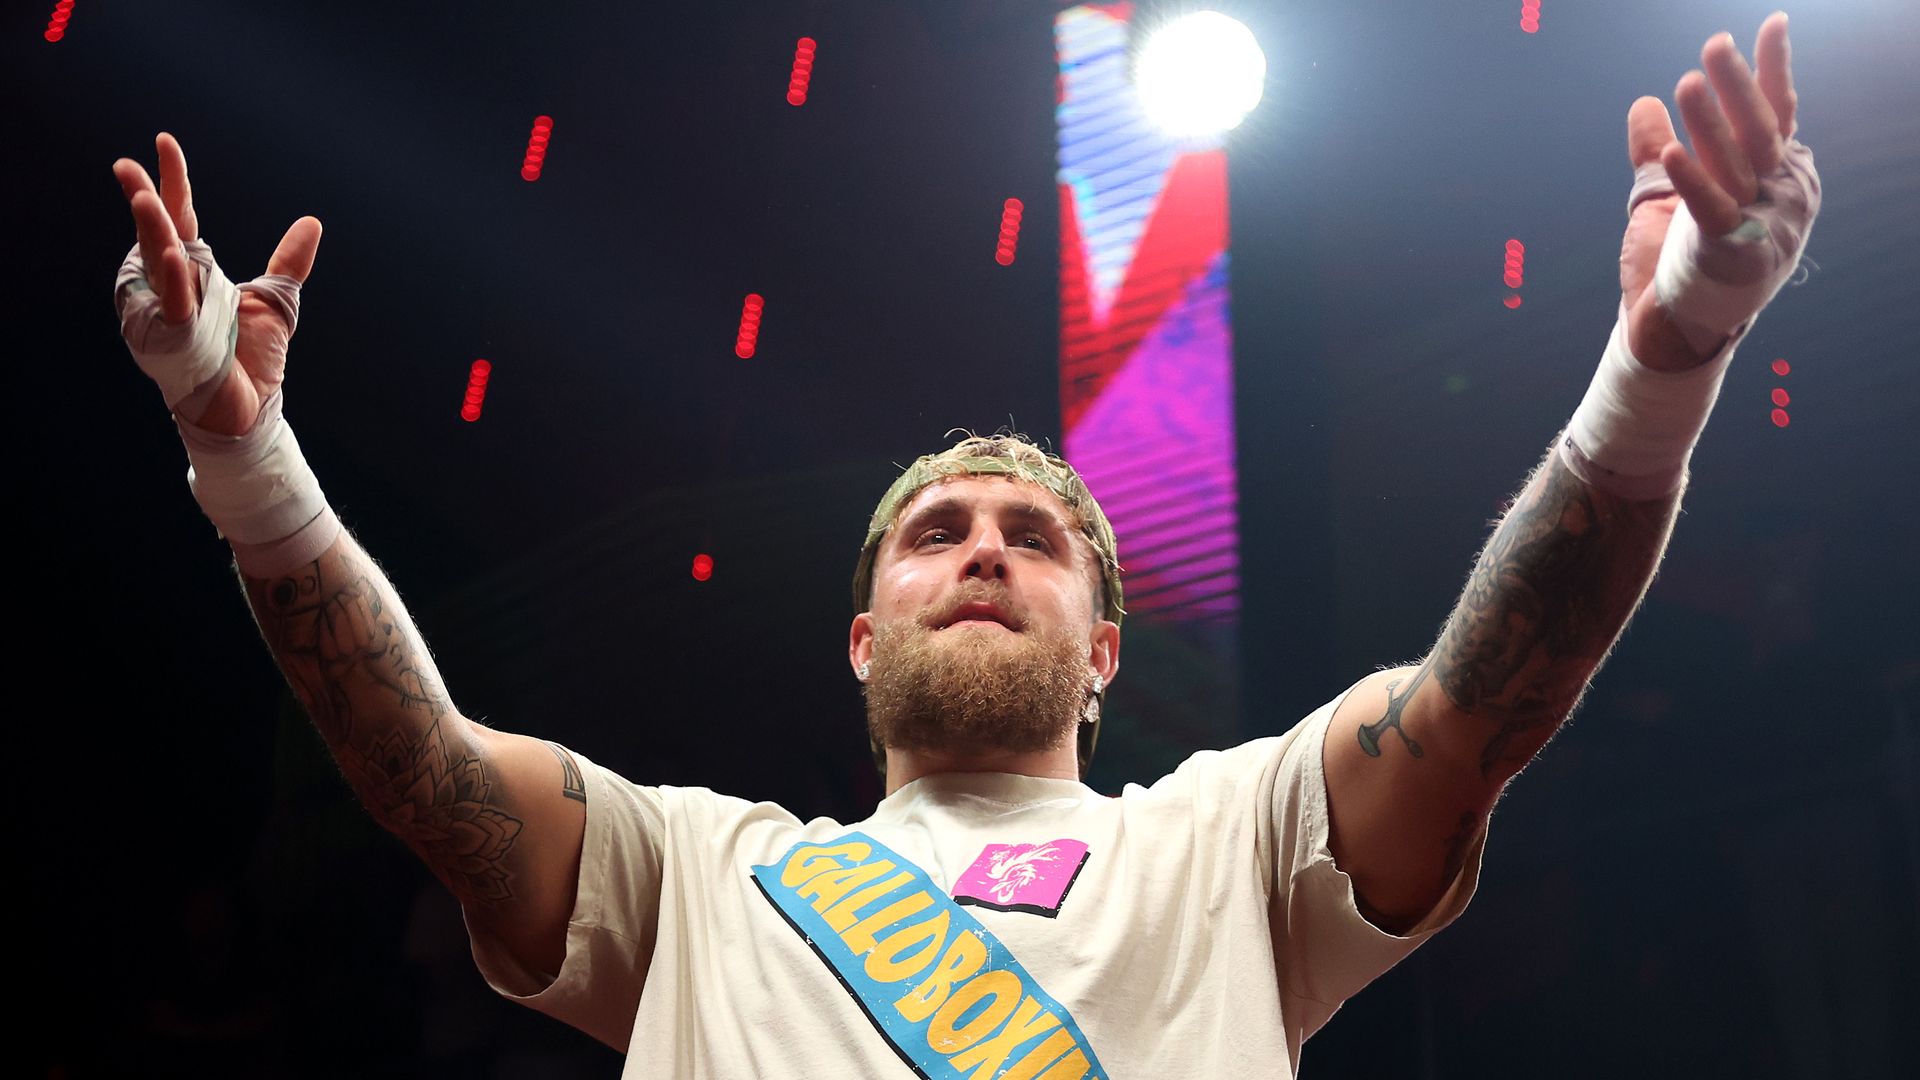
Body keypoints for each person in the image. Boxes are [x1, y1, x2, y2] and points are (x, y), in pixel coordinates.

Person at [109, 12, 1818, 1076]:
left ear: (1105, 649)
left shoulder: (1235, 840)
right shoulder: (704, 875)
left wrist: (1662, 363)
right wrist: (244, 455)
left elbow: (1486, 701)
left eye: (1033, 537)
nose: (984, 550)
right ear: (865, 638)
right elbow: (417, 764)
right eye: (935, 533)